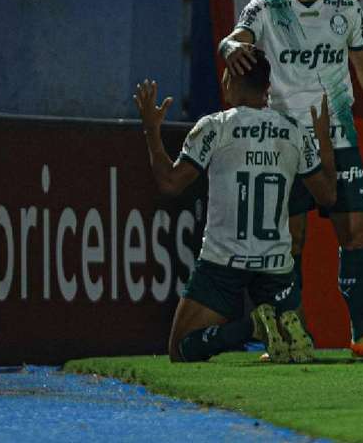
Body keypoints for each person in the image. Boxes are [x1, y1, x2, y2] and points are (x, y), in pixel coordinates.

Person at [218, 0, 363, 359]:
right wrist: (229, 48)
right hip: (286, 145)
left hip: (339, 137)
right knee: (291, 241)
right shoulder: (264, 10)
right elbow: (235, 39)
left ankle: (362, 335)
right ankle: (291, 337)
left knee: (354, 230)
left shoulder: (347, 9)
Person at [134, 50, 337, 364]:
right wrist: (323, 139)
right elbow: (327, 196)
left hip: (223, 261)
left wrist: (151, 130)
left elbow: (171, 183)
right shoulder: (293, 130)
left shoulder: (216, 126)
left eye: (227, 75)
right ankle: (280, 321)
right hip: (276, 266)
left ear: (235, 82)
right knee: (292, 348)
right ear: (265, 87)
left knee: (181, 349)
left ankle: (251, 327)